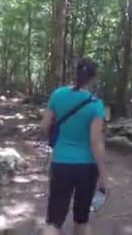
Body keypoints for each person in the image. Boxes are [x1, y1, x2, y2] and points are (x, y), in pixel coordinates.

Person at [40, 59, 107, 235]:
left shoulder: (57, 94)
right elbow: (95, 141)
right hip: (87, 168)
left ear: (75, 73)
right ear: (93, 79)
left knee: (53, 222)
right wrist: (102, 174)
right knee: (82, 220)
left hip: (61, 162)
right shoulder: (96, 104)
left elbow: (44, 126)